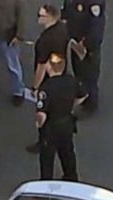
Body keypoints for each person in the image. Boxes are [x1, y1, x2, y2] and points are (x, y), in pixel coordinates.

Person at [35, 53, 87, 181]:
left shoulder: (46, 88)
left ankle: (46, 184)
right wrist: (70, 105)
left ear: (50, 67)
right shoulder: (71, 80)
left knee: (47, 158)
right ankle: (71, 178)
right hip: (67, 123)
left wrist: (38, 124)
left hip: (51, 127)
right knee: (67, 152)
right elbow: (82, 96)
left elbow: (42, 115)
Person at [25, 4, 69, 153]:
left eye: (41, 16)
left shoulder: (46, 40)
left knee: (44, 109)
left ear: (50, 17)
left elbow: (41, 66)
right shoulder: (61, 29)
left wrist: (36, 86)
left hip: (47, 79)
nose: (38, 18)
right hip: (59, 72)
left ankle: (44, 140)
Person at [62, 0, 105, 114]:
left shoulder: (94, 1)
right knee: (78, 71)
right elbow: (67, 7)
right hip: (75, 42)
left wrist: (86, 45)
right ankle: (82, 94)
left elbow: (96, 27)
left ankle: (91, 103)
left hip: (87, 47)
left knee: (90, 75)